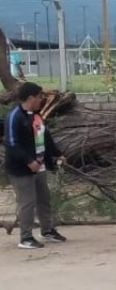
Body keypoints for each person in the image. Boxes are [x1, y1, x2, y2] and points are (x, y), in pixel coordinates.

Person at [4, 82, 67, 249]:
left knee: (44, 199)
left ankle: (47, 230)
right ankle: (25, 237)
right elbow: (11, 143)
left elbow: (45, 136)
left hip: (38, 165)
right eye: (40, 97)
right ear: (31, 97)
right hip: (21, 168)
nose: (42, 100)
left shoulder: (35, 115)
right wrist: (28, 161)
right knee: (28, 202)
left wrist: (57, 153)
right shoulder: (15, 116)